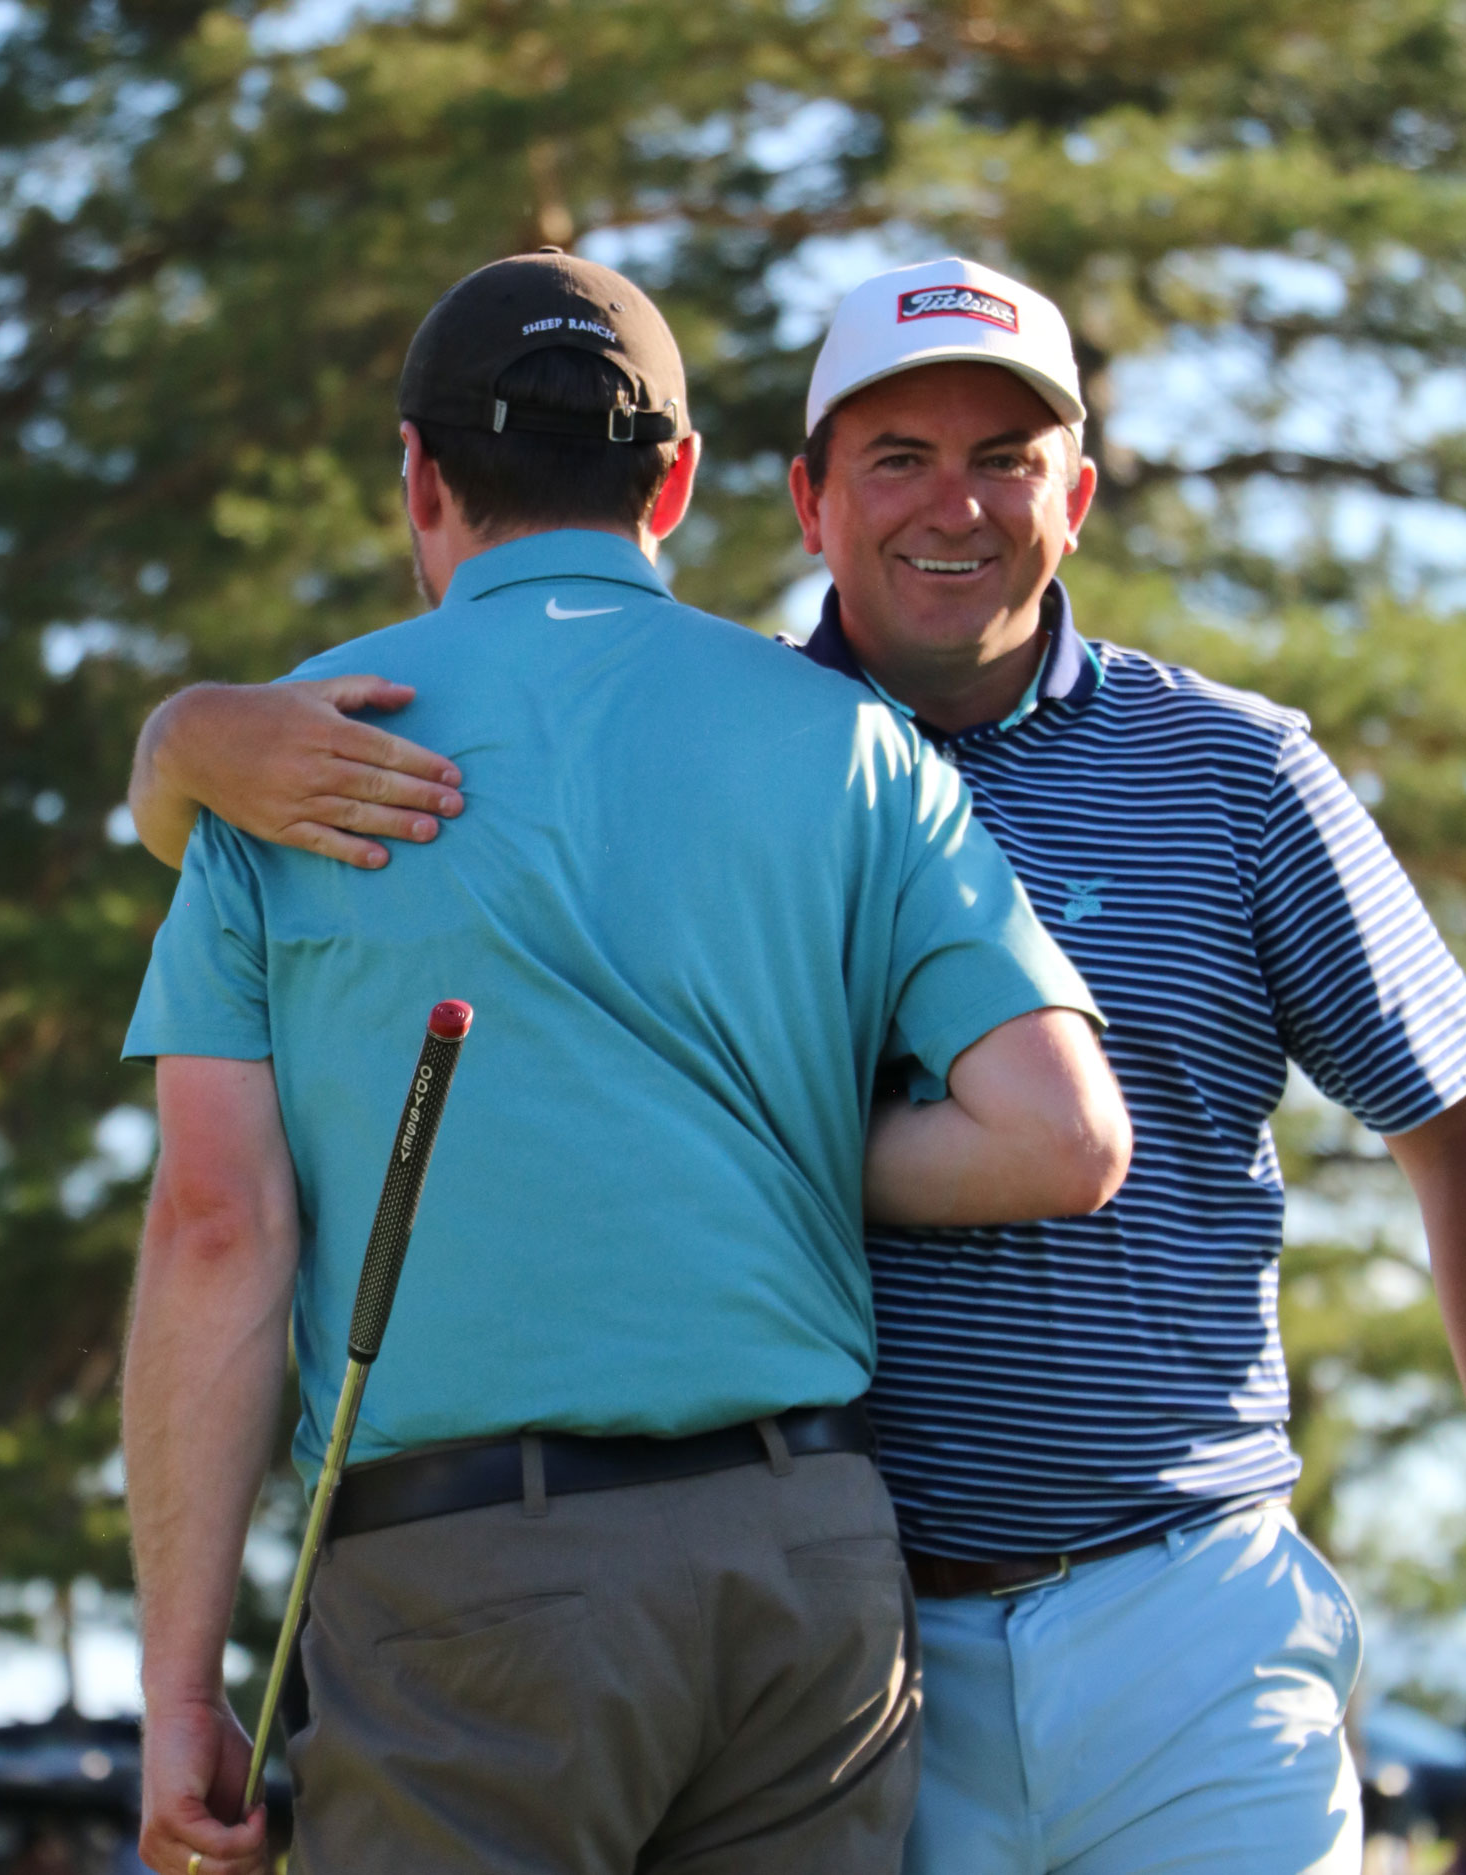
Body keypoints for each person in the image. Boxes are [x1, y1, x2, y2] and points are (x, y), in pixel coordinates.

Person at [134, 252, 1466, 1875]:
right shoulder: (803, 736)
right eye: (900, 458)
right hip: (869, 1620)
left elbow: (1443, 1132)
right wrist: (184, 742)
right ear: (781, 496)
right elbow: (1055, 1128)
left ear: (1081, 494)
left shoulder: (1233, 769)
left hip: (1178, 1607)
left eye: (1005, 460)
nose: (952, 508)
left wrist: (695, 1148)